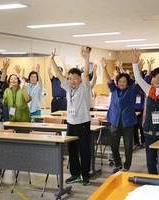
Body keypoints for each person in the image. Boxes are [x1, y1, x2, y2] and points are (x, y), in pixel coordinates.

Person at [50, 47, 92, 186]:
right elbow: (58, 74)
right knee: (72, 149)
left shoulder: (85, 87)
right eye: (70, 78)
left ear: (80, 79)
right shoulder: (68, 87)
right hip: (71, 122)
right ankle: (75, 174)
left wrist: (86, 59)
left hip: (83, 123)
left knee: (84, 150)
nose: (72, 81)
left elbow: (86, 74)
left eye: (75, 78)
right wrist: (52, 60)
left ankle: (85, 175)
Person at [100, 57, 138, 173]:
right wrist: (104, 68)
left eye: (124, 82)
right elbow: (108, 79)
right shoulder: (114, 90)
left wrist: (136, 66)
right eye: (120, 81)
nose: (121, 83)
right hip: (115, 122)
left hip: (128, 122)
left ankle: (127, 166)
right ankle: (118, 164)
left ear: (128, 83)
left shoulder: (132, 90)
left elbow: (137, 80)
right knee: (113, 145)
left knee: (128, 147)